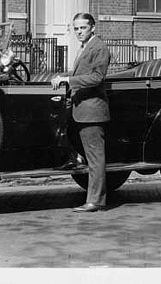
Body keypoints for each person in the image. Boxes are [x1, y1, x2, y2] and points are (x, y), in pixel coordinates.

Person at [52, 13, 111, 213]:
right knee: (89, 156)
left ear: (92, 28)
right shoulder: (85, 47)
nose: (78, 32)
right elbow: (80, 74)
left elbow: (96, 77)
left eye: (82, 28)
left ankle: (96, 201)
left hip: (92, 111)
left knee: (95, 159)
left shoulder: (99, 48)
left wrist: (69, 81)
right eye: (75, 28)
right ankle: (95, 199)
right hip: (81, 110)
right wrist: (64, 77)